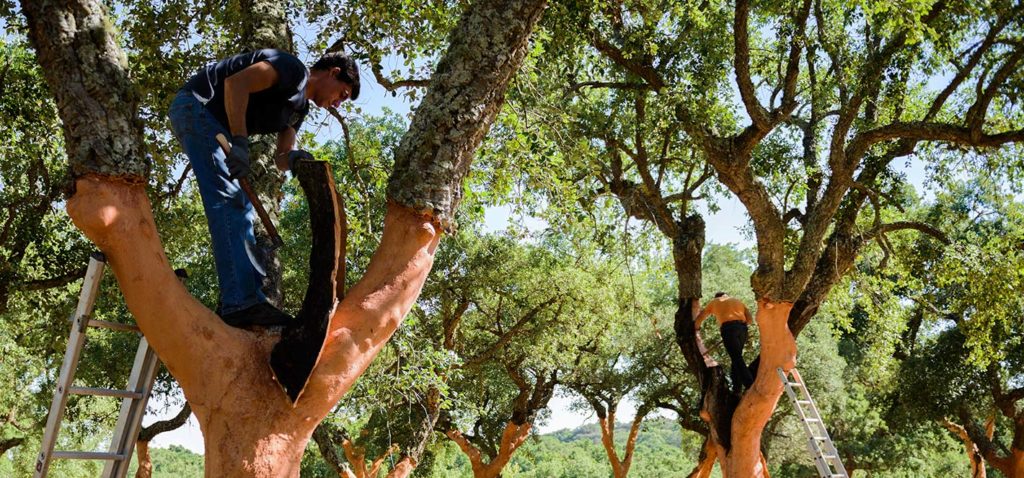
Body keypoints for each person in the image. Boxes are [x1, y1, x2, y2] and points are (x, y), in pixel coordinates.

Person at [168, 49, 360, 327]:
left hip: (217, 128)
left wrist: (294, 158)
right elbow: (236, 84)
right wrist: (240, 142)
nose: (337, 104)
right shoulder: (292, 70)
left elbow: (281, 158)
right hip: (197, 107)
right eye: (342, 94)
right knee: (229, 200)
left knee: (243, 208)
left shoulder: (299, 109)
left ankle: (243, 299)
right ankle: (239, 303)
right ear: (334, 73)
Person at [695, 292, 755, 390]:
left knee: (736, 358)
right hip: (743, 330)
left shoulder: (715, 302)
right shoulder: (738, 301)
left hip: (728, 329)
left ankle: (750, 385)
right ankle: (737, 387)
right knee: (736, 357)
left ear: (717, 297)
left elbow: (701, 316)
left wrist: (695, 328)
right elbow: (750, 320)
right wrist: (738, 326)